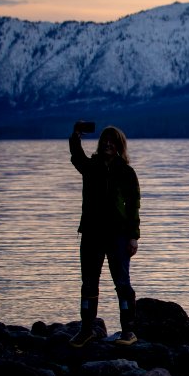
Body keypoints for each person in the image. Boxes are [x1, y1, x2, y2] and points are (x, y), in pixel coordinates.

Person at [68, 123, 141, 347]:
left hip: (118, 235)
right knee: (89, 283)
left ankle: (128, 331)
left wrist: (133, 236)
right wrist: (75, 138)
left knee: (122, 283)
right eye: (105, 140)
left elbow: (134, 205)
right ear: (100, 144)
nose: (108, 144)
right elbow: (77, 156)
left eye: (112, 141)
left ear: (119, 146)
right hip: (91, 233)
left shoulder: (126, 172)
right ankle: (87, 329)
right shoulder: (91, 167)